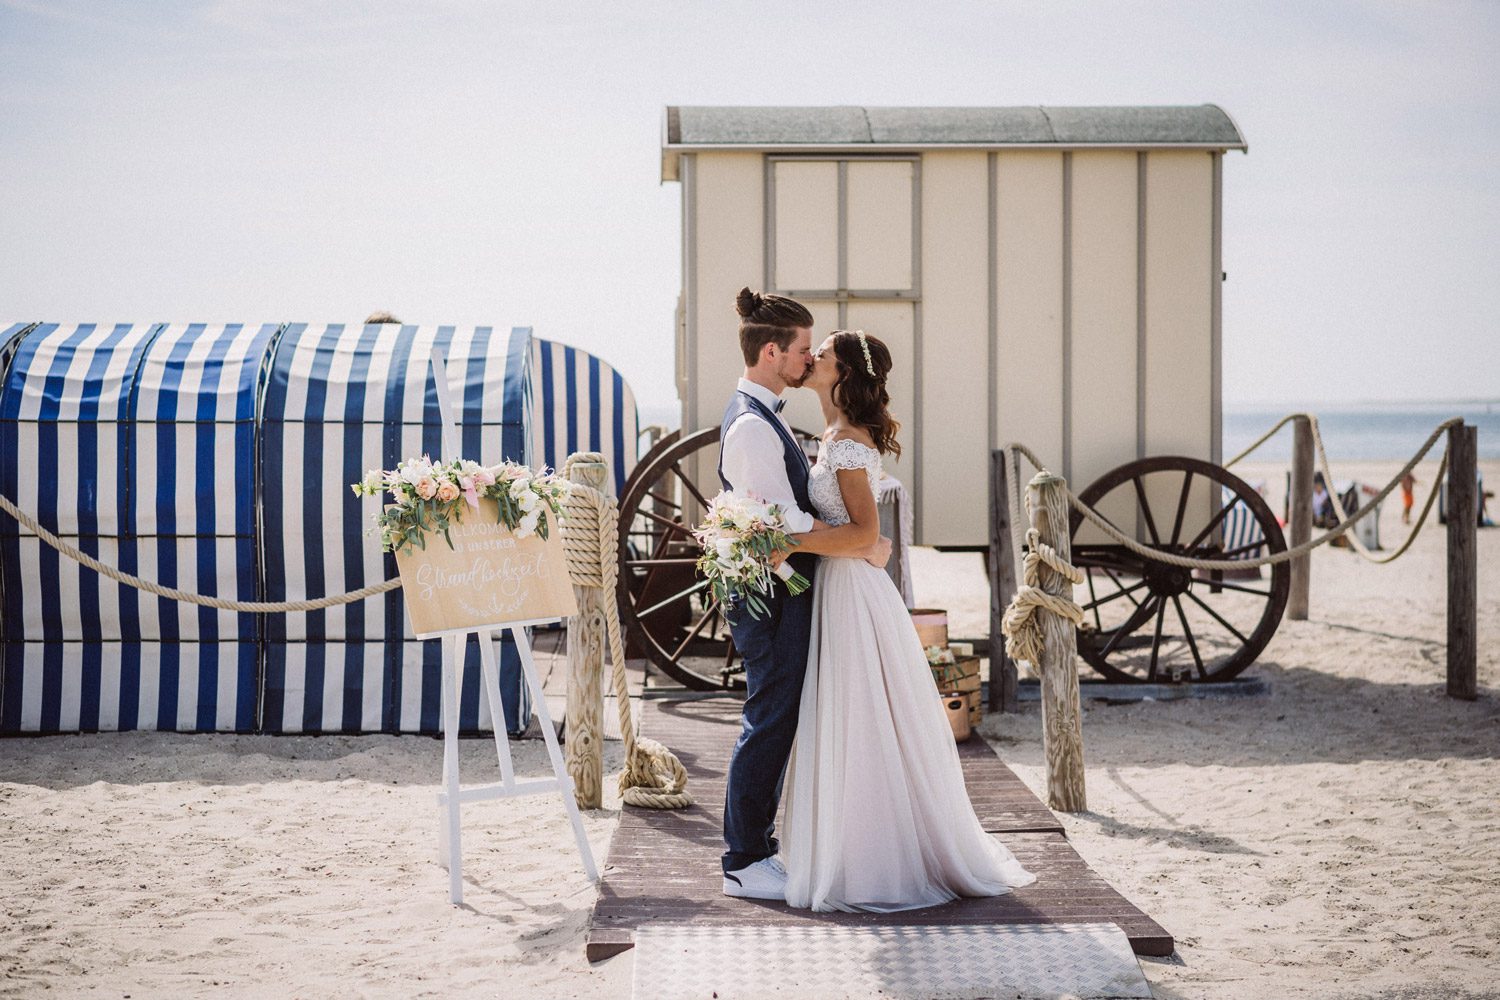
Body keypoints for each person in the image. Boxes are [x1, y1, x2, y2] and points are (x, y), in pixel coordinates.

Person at [778, 329, 1035, 912]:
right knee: (857, 715)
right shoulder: (836, 434)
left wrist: (790, 541)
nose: (812, 356)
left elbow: (867, 534)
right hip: (846, 584)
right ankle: (855, 847)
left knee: (859, 715)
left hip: (852, 593)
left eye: (823, 355)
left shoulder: (844, 440)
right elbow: (868, 538)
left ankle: (869, 861)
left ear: (842, 375)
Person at [716, 288, 892, 900]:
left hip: (792, 588)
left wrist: (858, 542)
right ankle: (744, 858)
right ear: (773, 351)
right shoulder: (751, 427)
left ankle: (760, 847)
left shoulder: (769, 417)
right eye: (799, 349)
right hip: (769, 596)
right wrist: (865, 543)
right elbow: (785, 526)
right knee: (768, 718)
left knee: (781, 716)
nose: (807, 357)